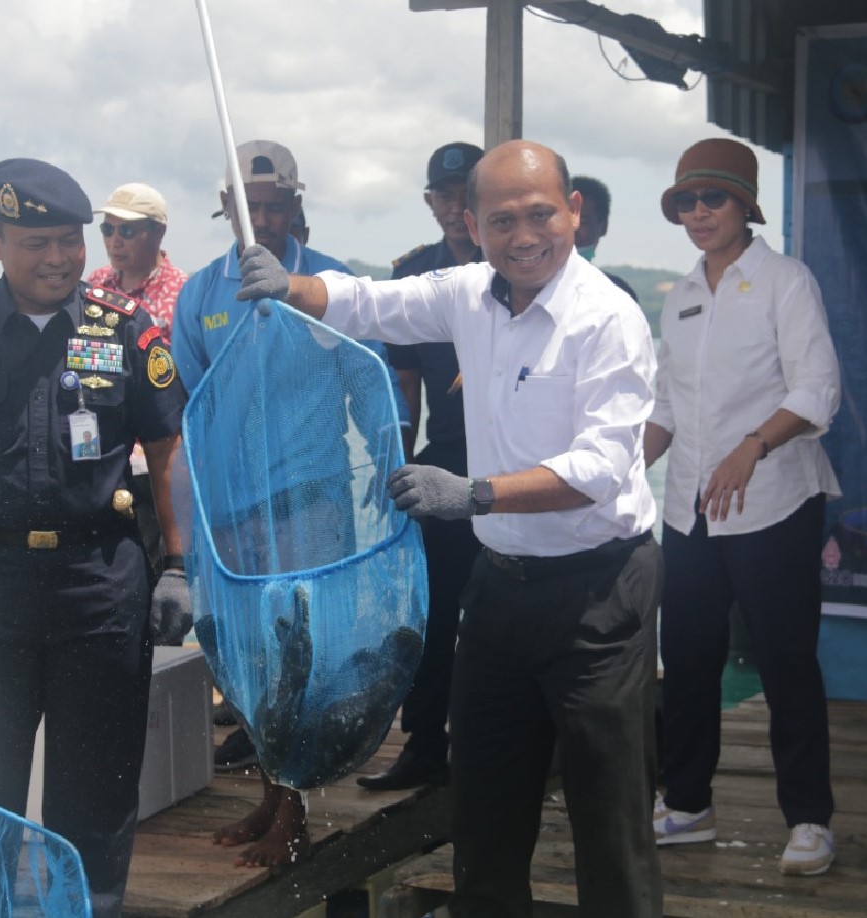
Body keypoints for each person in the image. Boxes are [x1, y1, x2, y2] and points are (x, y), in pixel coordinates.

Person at [236, 139, 664, 918]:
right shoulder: (469, 291)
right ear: (472, 225)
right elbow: (372, 302)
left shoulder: (609, 318)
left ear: (573, 211)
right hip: (500, 592)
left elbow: (602, 468)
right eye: (503, 220)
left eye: (541, 214)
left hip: (598, 596)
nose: (524, 235)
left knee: (611, 817)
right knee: (485, 810)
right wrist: (290, 284)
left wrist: (471, 494)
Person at [0, 158, 187, 918]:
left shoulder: (126, 330)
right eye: (35, 242)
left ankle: (91, 907)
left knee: (98, 785)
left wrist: (178, 564)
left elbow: (169, 448)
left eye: (70, 241)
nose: (57, 258)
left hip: (100, 583)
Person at [169, 139, 407, 867]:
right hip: (233, 508)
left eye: (275, 208)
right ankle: (268, 793)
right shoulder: (202, 292)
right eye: (249, 211)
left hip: (311, 496)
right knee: (245, 653)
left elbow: (370, 383)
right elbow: (182, 403)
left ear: (296, 207)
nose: (263, 223)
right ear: (226, 215)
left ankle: (295, 805)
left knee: (300, 653)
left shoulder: (328, 282)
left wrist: (389, 460)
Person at [643, 137, 841, 876]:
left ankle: (810, 819)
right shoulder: (681, 293)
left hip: (774, 505)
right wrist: (621, 470)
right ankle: (687, 804)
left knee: (786, 661)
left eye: (712, 199)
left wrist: (751, 446)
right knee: (687, 659)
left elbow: (816, 388)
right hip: (690, 512)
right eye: (686, 202)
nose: (698, 213)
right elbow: (666, 404)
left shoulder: (786, 281)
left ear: (745, 206)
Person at [358, 141, 484, 793]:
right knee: (430, 612)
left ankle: (507, 743)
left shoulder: (516, 266)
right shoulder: (414, 275)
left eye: (466, 190)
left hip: (520, 468)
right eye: (443, 193)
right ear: (431, 202)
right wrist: (397, 471)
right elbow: (401, 388)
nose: (454, 205)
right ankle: (424, 743)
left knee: (505, 615)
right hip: (447, 460)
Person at [85, 183, 188, 585]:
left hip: (159, 458)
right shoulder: (93, 286)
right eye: (107, 231)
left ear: (158, 232)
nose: (114, 241)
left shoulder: (184, 292)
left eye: (126, 231)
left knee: (161, 573)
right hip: (103, 455)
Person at [571, 175, 636, 300]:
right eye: (566, 220)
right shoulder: (526, 290)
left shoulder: (618, 295)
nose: (573, 229)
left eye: (583, 221)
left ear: (603, 227)